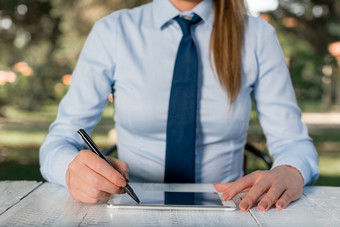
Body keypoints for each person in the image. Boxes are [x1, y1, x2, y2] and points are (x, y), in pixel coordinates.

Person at [40, 0, 319, 212]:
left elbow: (293, 143)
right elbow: (60, 140)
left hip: (229, 214)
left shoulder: (257, 36)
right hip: (131, 211)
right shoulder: (113, 32)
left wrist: (291, 171)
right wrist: (69, 169)